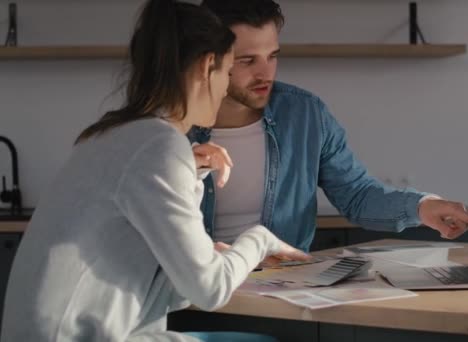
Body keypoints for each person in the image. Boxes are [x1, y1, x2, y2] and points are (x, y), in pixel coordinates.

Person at [0, 1, 308, 341]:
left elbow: (136, 279)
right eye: (229, 69)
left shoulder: (110, 134)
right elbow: (211, 290)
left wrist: (208, 252)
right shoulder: (159, 146)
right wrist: (259, 240)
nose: (224, 89)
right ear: (208, 66)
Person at [188, 0, 468, 251]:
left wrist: (423, 207)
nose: (265, 73)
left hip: (281, 290)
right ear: (210, 60)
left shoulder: (305, 114)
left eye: (272, 56)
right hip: (193, 292)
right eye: (247, 60)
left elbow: (357, 195)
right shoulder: (174, 123)